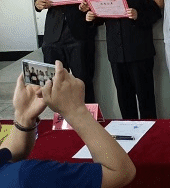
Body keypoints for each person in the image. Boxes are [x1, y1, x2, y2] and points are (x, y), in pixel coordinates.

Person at [0, 60, 135, 188]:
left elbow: (12, 153)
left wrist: (23, 117)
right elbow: (120, 172)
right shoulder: (28, 176)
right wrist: (76, 110)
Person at [82, 0, 162, 119]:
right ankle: (128, 127)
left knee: (145, 95)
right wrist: (90, 17)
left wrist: (138, 15)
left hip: (140, 52)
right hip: (116, 53)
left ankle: (150, 128)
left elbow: (155, 14)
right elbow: (99, 18)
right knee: (124, 95)